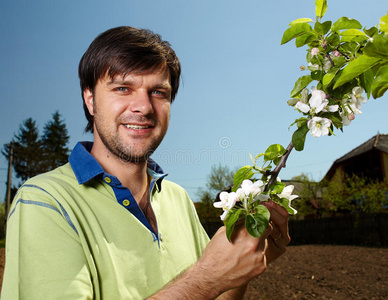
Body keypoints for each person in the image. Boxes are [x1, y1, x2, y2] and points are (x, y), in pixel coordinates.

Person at [1, 26, 290, 299]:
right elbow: (206, 283)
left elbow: (215, 292)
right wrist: (208, 277)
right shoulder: (44, 202)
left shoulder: (178, 199)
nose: (143, 107)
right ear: (90, 100)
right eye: (123, 88)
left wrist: (240, 265)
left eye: (158, 92)